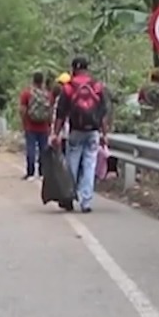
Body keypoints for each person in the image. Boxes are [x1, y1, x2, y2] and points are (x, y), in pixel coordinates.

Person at [52, 58, 111, 213]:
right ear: (87, 68)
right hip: (93, 132)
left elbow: (61, 113)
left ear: (74, 69)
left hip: (75, 132)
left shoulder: (69, 87)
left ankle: (69, 197)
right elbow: (103, 113)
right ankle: (86, 201)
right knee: (89, 166)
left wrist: (55, 134)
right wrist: (105, 134)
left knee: (72, 165)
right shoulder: (97, 86)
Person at [19, 71, 55, 181]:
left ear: (33, 80)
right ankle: (41, 173)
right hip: (44, 127)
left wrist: (24, 123)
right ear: (42, 81)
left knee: (31, 149)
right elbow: (50, 111)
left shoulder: (26, 93)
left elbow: (23, 110)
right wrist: (49, 125)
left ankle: (30, 173)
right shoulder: (48, 95)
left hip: (30, 126)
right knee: (43, 150)